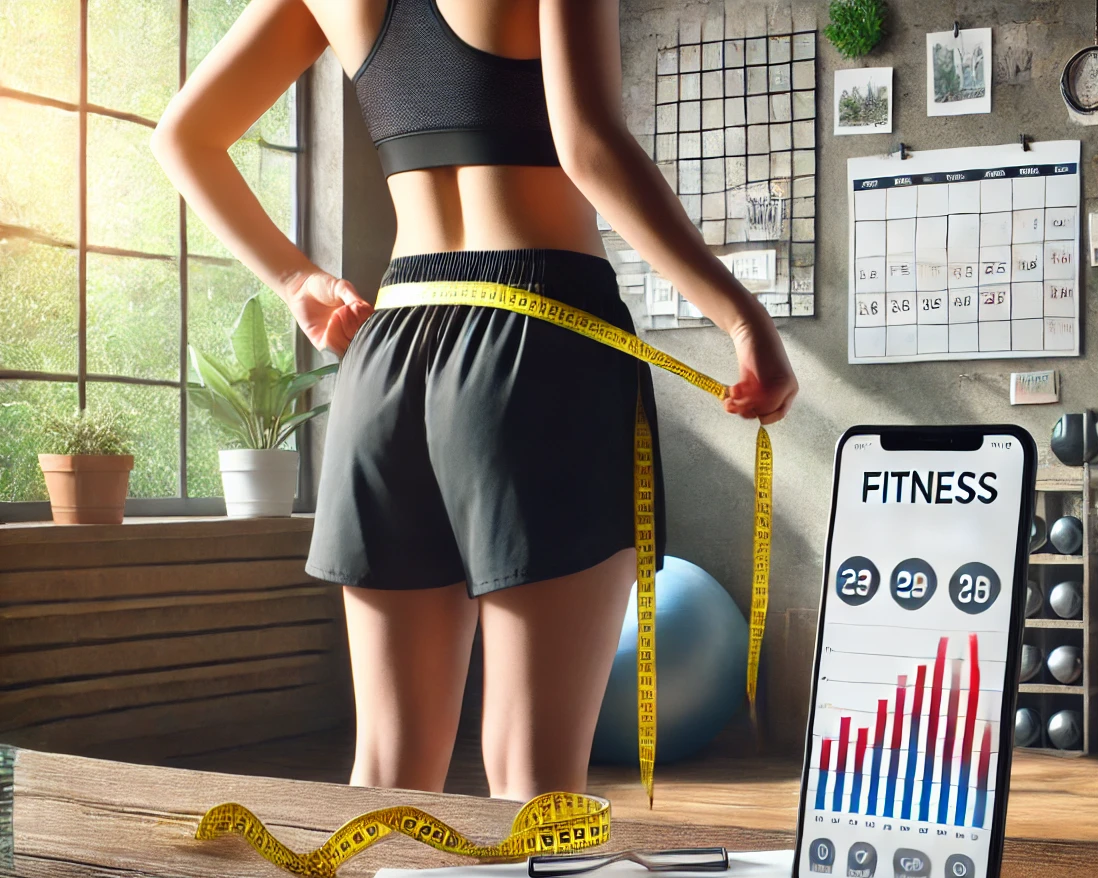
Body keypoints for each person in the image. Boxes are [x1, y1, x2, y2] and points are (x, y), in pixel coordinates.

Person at [153, 0, 797, 800]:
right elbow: (588, 146)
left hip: (388, 357)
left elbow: (183, 136)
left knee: (387, 773)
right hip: (538, 347)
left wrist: (297, 281)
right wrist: (740, 314)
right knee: (537, 782)